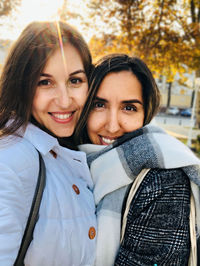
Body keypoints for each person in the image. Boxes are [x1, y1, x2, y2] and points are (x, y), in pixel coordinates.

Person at [76, 54, 200, 266]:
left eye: (129, 108)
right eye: (99, 104)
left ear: (146, 114)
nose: (112, 126)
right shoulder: (70, 163)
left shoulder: (165, 179)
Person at [0, 21, 97, 266]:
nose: (65, 101)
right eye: (45, 82)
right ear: (22, 86)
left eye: (75, 81)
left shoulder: (62, 151)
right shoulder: (11, 160)